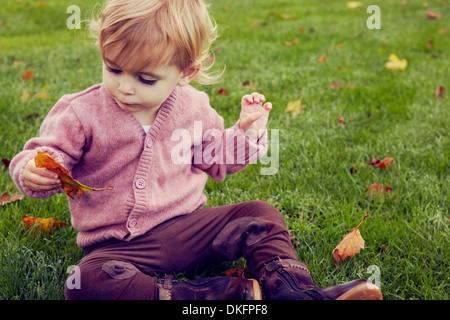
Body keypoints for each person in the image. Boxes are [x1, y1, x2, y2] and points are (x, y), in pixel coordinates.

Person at [9, 0, 382, 300]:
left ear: (185, 72)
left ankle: (297, 291)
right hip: (119, 248)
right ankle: (222, 294)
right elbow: (46, 151)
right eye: (113, 68)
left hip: (189, 229)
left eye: (145, 78)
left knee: (260, 214)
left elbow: (215, 158)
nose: (124, 87)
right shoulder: (81, 112)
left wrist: (246, 134)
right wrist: (32, 170)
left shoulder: (193, 107)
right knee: (87, 281)